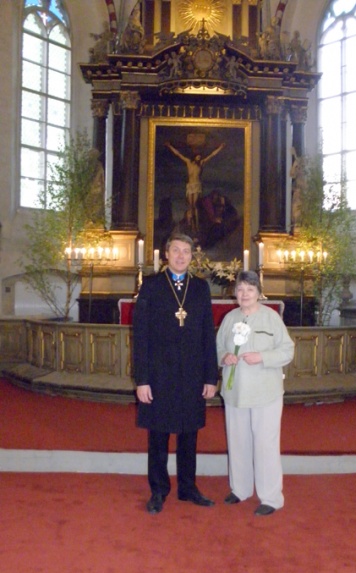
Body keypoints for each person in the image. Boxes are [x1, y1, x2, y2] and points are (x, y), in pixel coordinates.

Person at [133, 233, 219, 514]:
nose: (181, 256)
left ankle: (187, 487)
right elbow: (141, 336)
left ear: (192, 256)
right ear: (166, 254)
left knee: (189, 434)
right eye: (176, 250)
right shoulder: (152, 286)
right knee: (158, 435)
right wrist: (142, 380)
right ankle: (158, 490)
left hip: (192, 374)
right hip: (159, 374)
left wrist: (211, 377)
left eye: (186, 251)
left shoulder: (200, 288)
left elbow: (208, 335)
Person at [216, 271, 295, 516]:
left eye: (250, 289)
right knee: (237, 442)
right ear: (235, 293)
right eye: (240, 289)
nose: (244, 294)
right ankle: (240, 489)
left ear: (259, 293)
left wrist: (262, 357)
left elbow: (287, 350)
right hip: (235, 391)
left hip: (265, 392)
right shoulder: (230, 318)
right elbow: (217, 348)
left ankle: (271, 497)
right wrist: (224, 357)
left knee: (265, 444)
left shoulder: (271, 318)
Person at [165, 141, 225, 231]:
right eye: (198, 157)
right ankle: (192, 225)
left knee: (195, 205)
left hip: (197, 186)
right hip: (190, 186)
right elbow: (178, 154)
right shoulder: (188, 162)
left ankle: (196, 225)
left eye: (200, 157)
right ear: (195, 157)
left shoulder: (201, 163)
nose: (199, 159)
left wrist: (220, 148)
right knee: (191, 206)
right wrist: (170, 146)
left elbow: (212, 155)